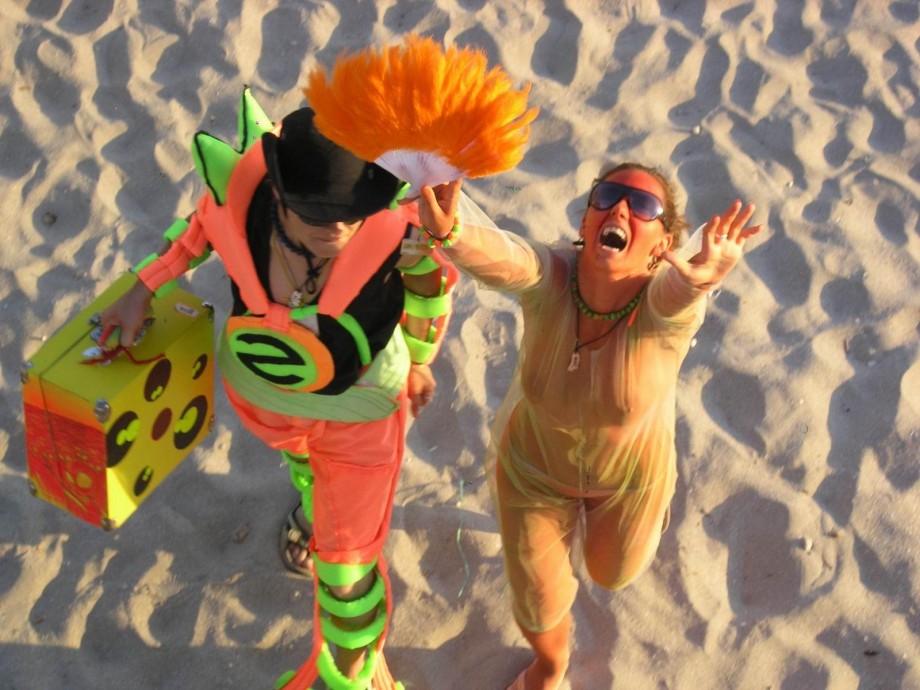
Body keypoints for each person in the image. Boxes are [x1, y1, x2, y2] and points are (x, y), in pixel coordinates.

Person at [99, 90, 457, 690]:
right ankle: (313, 508)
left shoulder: (396, 226)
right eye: (321, 212)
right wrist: (141, 288)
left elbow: (431, 285)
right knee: (306, 473)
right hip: (269, 409)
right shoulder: (239, 208)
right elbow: (192, 234)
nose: (341, 223)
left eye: (353, 207)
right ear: (278, 197)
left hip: (360, 414)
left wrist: (419, 358)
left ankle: (356, 676)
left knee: (346, 574)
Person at [416, 163, 761, 690]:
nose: (621, 208)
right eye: (609, 196)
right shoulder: (551, 275)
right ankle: (550, 668)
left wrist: (699, 284)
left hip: (630, 480)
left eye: (642, 206)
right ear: (586, 221)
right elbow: (509, 259)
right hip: (532, 469)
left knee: (611, 573)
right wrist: (452, 234)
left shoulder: (665, 305)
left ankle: (641, 512)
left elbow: (676, 303)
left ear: (662, 244)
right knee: (536, 600)